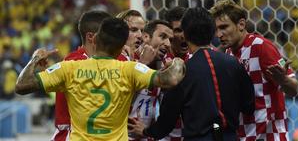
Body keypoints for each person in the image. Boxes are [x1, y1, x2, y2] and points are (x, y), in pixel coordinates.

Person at [15, 17, 185, 141]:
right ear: (121, 47)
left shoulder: (69, 68)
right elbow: (171, 78)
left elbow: (22, 85)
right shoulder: (131, 69)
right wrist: (176, 60)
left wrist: (35, 58)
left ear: (95, 39)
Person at [129, 7, 255, 141]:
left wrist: (146, 131)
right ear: (213, 33)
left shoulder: (181, 72)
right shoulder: (234, 64)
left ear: (185, 35)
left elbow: (167, 122)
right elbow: (249, 106)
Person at [209, 0, 298, 141]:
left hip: (269, 136)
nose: (218, 34)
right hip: (244, 135)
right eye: (217, 29)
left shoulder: (262, 47)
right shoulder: (228, 54)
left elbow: (294, 89)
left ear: (241, 24)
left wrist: (283, 79)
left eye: (224, 27)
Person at [52, 10, 111, 141]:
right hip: (72, 134)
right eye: (108, 33)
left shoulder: (122, 59)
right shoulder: (71, 63)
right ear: (91, 37)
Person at [128, 19, 174, 141]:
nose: (168, 44)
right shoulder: (127, 61)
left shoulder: (163, 65)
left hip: (146, 136)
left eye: (170, 39)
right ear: (146, 37)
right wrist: (143, 65)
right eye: (162, 36)